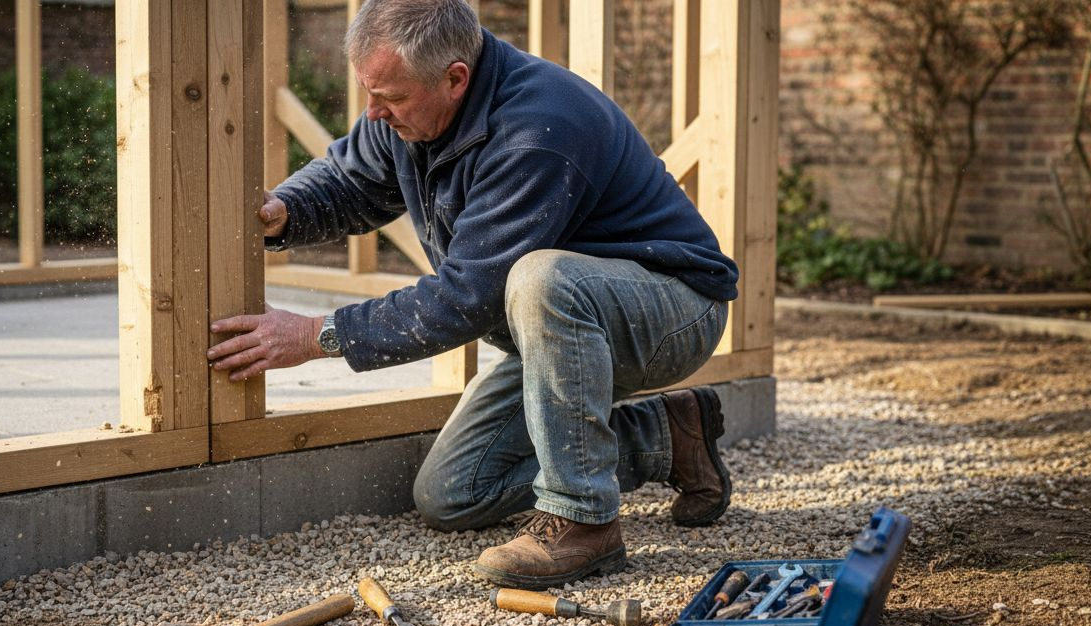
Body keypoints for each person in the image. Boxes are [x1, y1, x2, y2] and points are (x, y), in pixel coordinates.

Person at [206, 0, 738, 588]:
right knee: (452, 493)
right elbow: (350, 179)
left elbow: (468, 297)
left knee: (542, 278)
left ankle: (583, 520)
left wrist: (315, 336)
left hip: (671, 310)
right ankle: (669, 437)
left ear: (456, 77)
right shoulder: (412, 107)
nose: (374, 112)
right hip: (569, 323)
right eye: (369, 92)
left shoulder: (539, 128)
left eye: (391, 98)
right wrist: (284, 210)